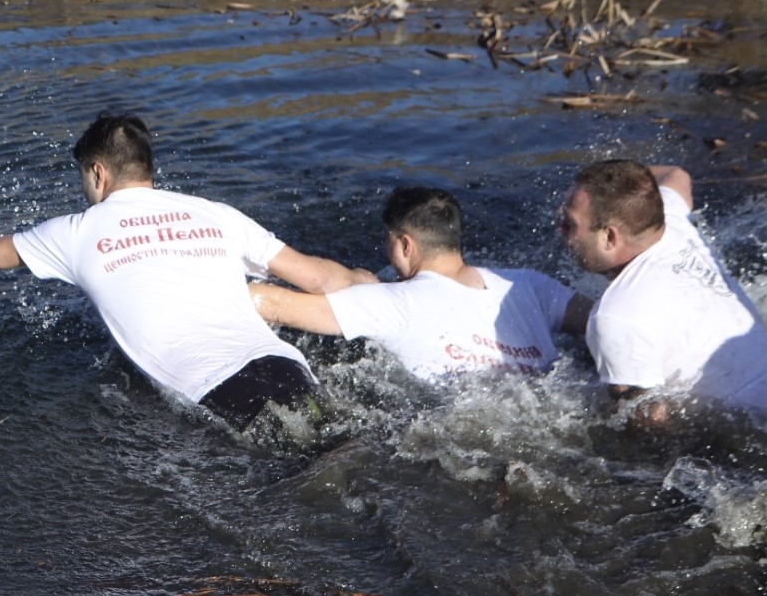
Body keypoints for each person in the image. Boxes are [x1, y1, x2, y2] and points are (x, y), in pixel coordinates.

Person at [0, 113, 371, 428]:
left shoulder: (77, 230)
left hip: (212, 391)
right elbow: (321, 280)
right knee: (336, 436)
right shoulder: (215, 213)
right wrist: (386, 286)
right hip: (285, 363)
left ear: (98, 172)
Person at [251, 186, 591, 380]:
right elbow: (606, 320)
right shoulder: (528, 285)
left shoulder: (393, 302)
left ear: (404, 245)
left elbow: (273, 305)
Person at [558, 159, 767, 415]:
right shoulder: (668, 220)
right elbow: (676, 174)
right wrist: (615, 185)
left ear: (610, 237)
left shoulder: (614, 318)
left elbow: (650, 427)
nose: (561, 230)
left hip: (753, 425)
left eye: (570, 224)